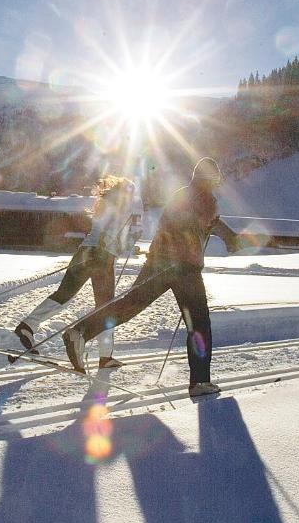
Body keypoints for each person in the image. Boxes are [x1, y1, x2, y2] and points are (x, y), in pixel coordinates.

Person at [63, 157, 222, 396]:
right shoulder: (207, 199)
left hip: (158, 260)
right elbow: (194, 223)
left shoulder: (181, 194)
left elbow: (176, 222)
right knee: (199, 322)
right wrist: (210, 226)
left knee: (131, 304)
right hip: (184, 268)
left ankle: (80, 332)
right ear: (211, 179)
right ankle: (200, 382)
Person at [14, 175, 137, 368]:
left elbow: (101, 230)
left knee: (64, 294)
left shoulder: (104, 203)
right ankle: (105, 357)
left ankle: (27, 326)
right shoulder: (122, 209)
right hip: (102, 257)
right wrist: (130, 242)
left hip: (84, 251)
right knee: (106, 308)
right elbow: (115, 239)